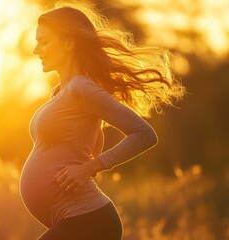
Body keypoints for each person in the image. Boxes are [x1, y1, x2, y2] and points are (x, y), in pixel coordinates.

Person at [19, 2, 185, 240]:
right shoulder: (61, 92)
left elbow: (144, 134)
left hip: (90, 220)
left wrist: (89, 167)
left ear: (69, 43)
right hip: (78, 218)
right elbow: (89, 139)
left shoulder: (80, 88)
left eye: (44, 41)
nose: (37, 50)